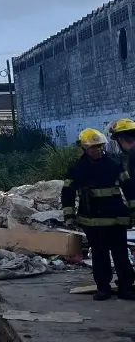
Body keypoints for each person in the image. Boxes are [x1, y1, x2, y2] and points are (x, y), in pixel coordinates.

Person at [62, 128, 135, 301]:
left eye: (99, 146)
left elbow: (129, 188)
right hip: (92, 220)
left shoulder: (114, 164)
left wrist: (133, 210)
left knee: (121, 254)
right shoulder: (77, 169)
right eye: (93, 147)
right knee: (100, 255)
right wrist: (69, 216)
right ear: (84, 148)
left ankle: (126, 287)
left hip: (116, 218)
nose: (97, 150)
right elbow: (67, 193)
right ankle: (103, 288)